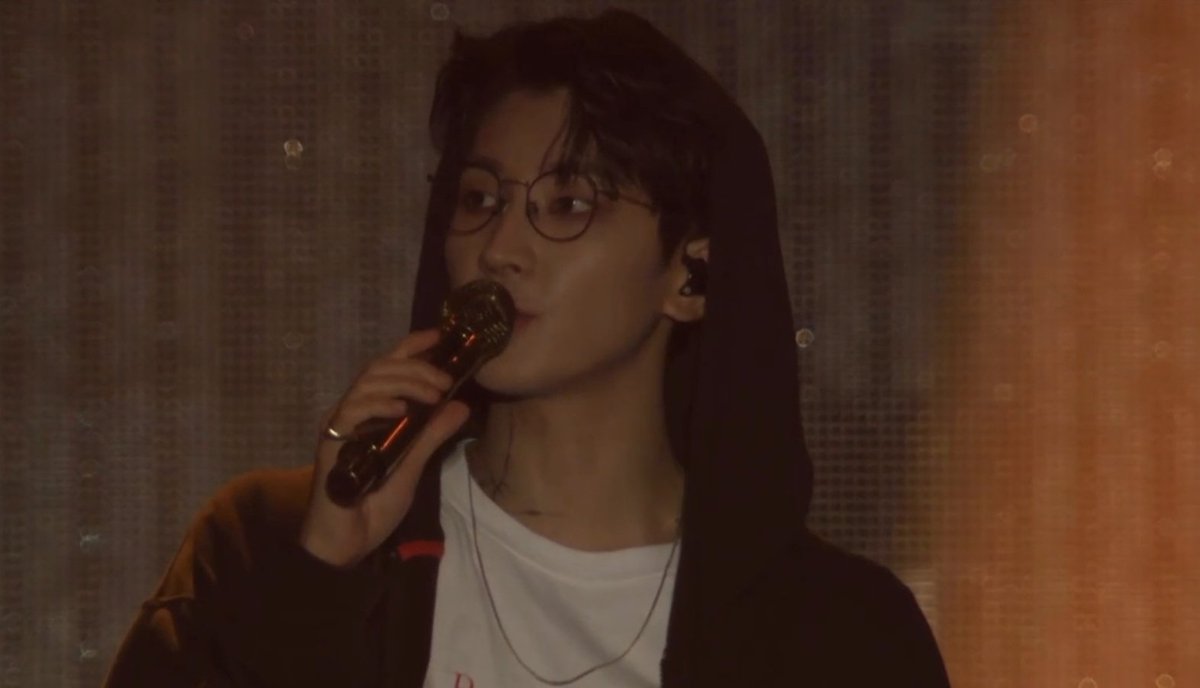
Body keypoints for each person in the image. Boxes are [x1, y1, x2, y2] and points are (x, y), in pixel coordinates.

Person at [104, 9, 950, 687]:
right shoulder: (265, 544)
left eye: (568, 204)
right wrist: (319, 579)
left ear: (690, 277)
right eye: (480, 198)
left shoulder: (837, 634)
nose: (501, 247)